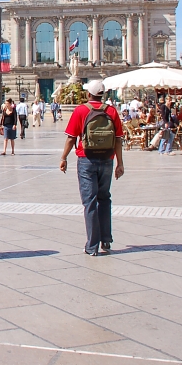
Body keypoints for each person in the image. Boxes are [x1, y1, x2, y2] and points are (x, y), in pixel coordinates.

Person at [60, 80, 125, 256]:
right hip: (107, 160)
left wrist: (64, 157)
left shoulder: (81, 110)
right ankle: (106, 240)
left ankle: (92, 246)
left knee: (90, 202)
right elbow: (118, 139)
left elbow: (71, 138)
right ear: (102, 94)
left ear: (88, 94)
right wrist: (120, 163)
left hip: (86, 160)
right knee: (104, 198)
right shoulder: (111, 111)